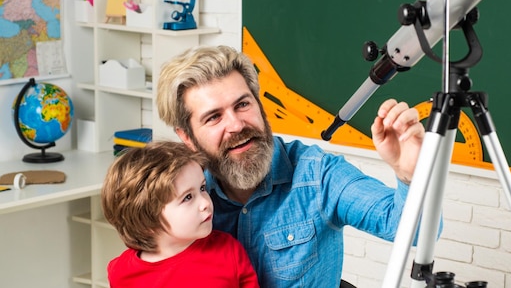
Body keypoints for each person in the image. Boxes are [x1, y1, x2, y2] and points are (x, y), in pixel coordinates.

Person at [156, 45, 427, 287]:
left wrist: (409, 175)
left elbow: (415, 231)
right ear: (187, 137)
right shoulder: (180, 194)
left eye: (242, 104)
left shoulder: (318, 174)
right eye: (214, 117)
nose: (237, 125)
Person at [101, 141, 260, 288]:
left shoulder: (228, 251)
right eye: (188, 197)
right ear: (147, 220)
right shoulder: (121, 272)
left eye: (202, 188)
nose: (205, 203)